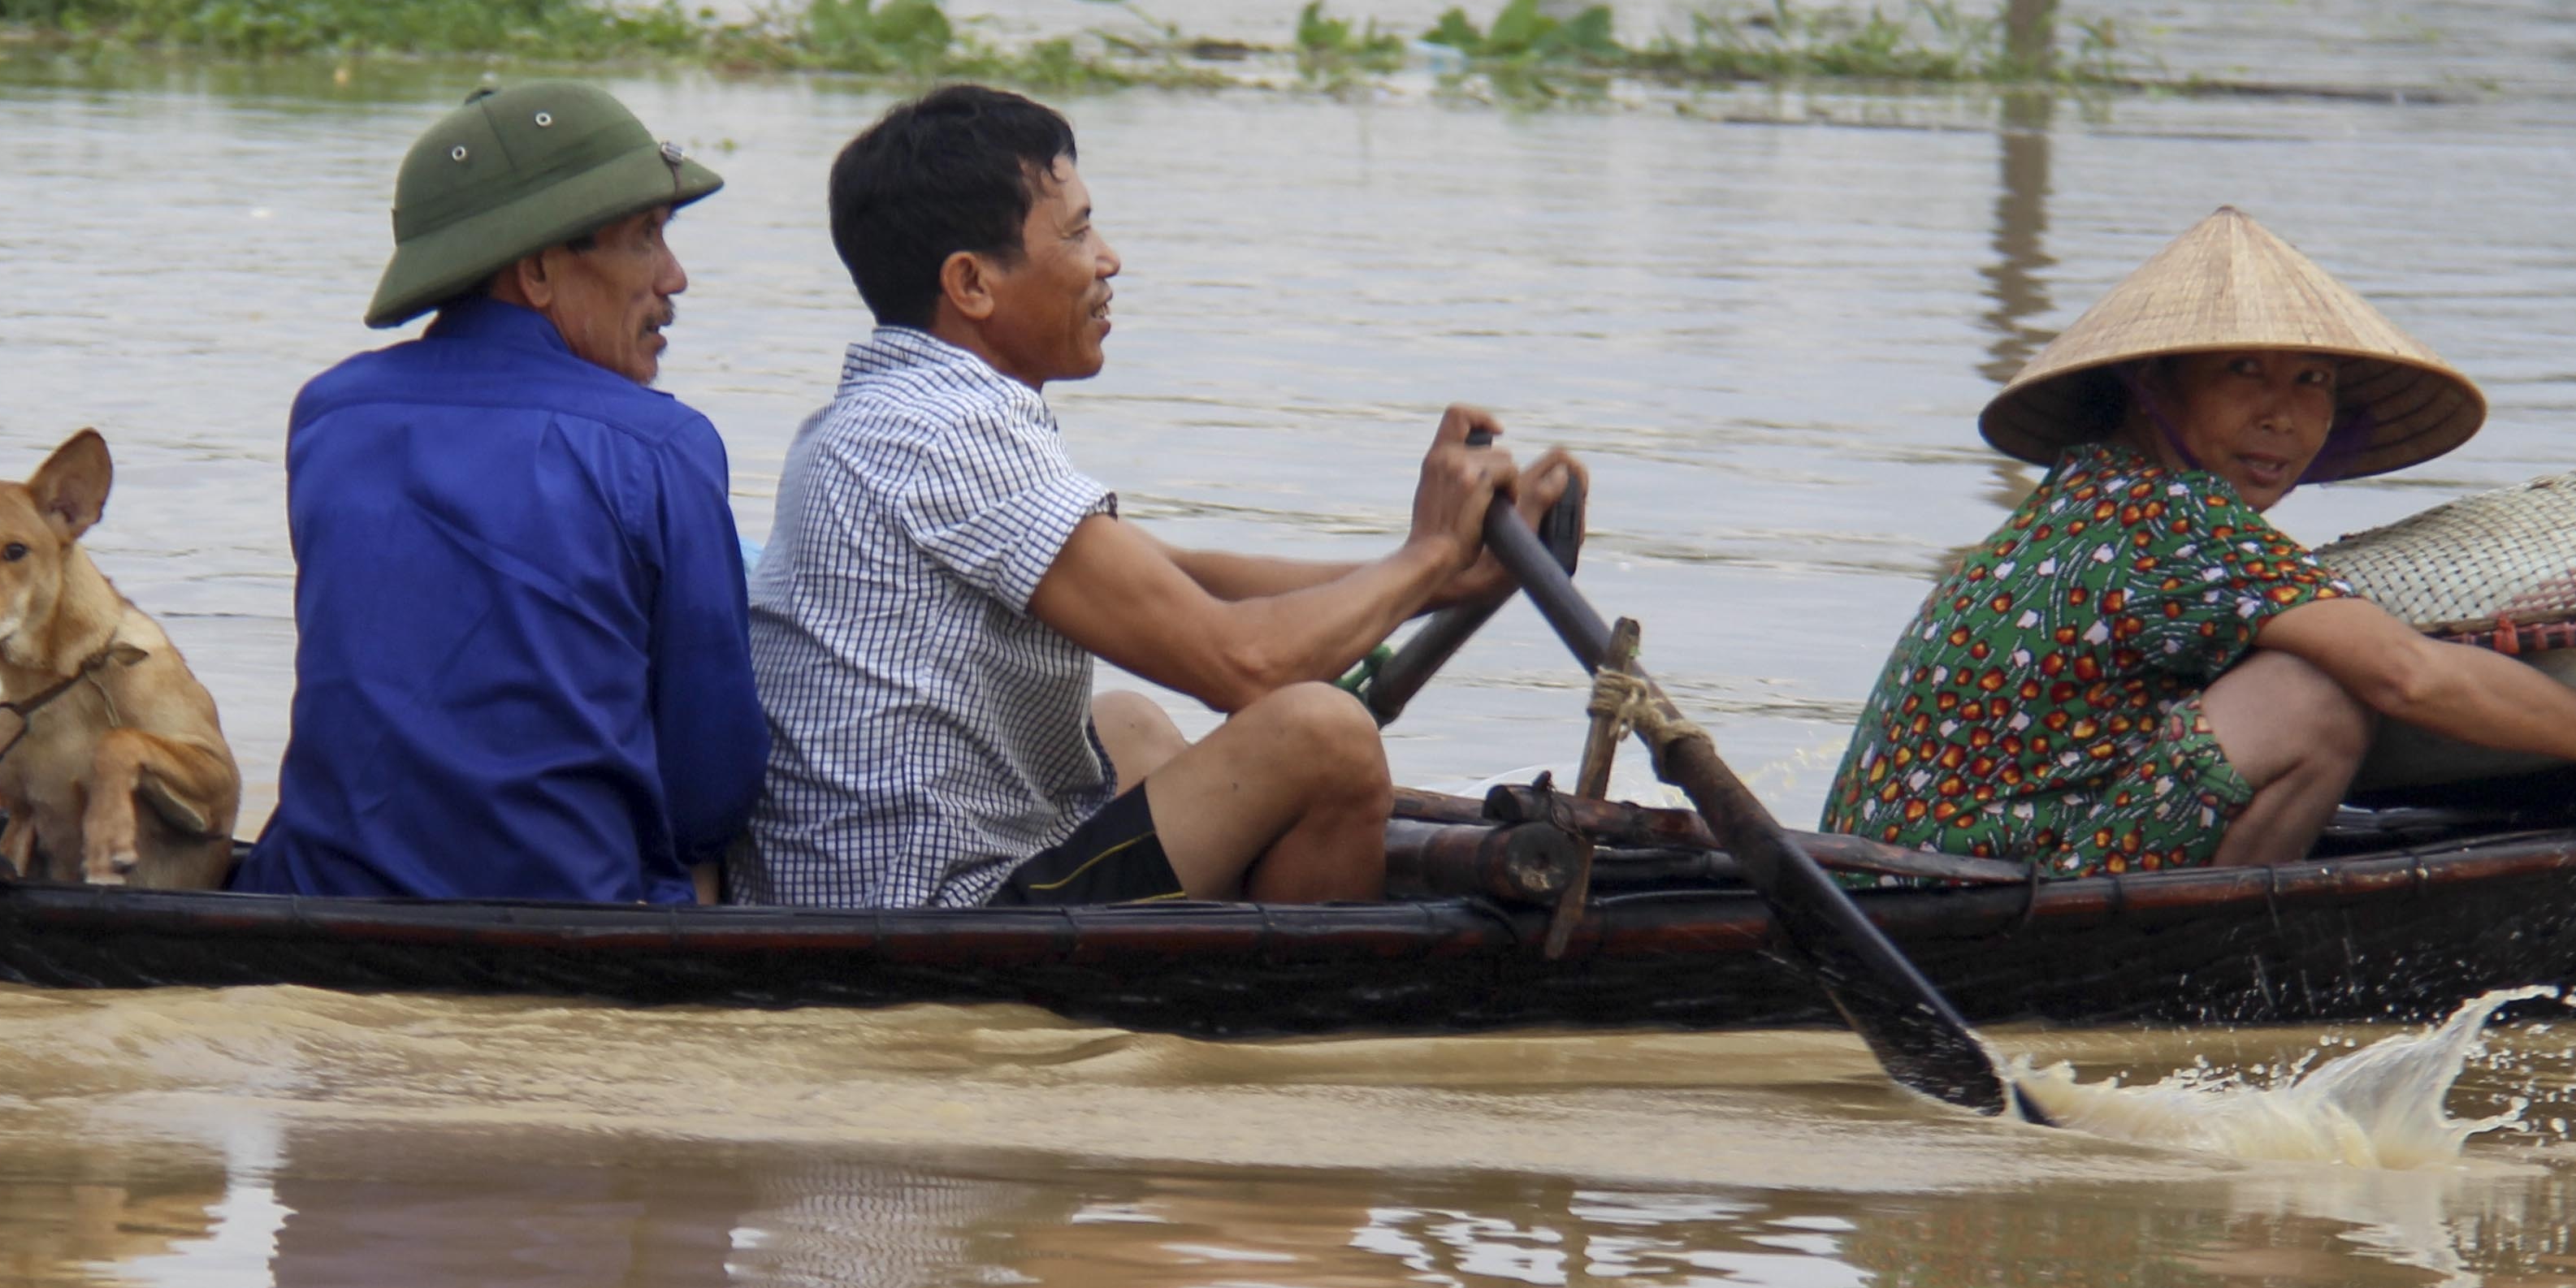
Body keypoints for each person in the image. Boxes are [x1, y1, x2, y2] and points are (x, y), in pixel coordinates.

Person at [734, 83, 1579, 912]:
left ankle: (1266, 905)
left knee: (1128, 725)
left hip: (862, 876)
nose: (1109, 260)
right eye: (1078, 232)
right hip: (925, 910)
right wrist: (1426, 553)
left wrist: (1436, 579)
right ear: (972, 285)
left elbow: (1179, 577)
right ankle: (1282, 1029)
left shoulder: (883, 410)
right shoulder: (951, 434)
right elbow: (1245, 666)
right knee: (1324, 735)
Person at [1824, 205, 2576, 879]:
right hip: (1963, 884)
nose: (2283, 417)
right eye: (2243, 372)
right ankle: (2211, 953)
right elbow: (2411, 678)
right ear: (2153, 386)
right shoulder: (2165, 514)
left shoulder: (2092, 493)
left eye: (2313, 381)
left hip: (1917, 866)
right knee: (2315, 693)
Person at [243, 82, 766, 902]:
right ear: (537, 271)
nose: (675, 277)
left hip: (319, 893)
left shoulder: (330, 416)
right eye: (645, 238)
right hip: (577, 909)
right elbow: (710, 777)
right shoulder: (662, 447)